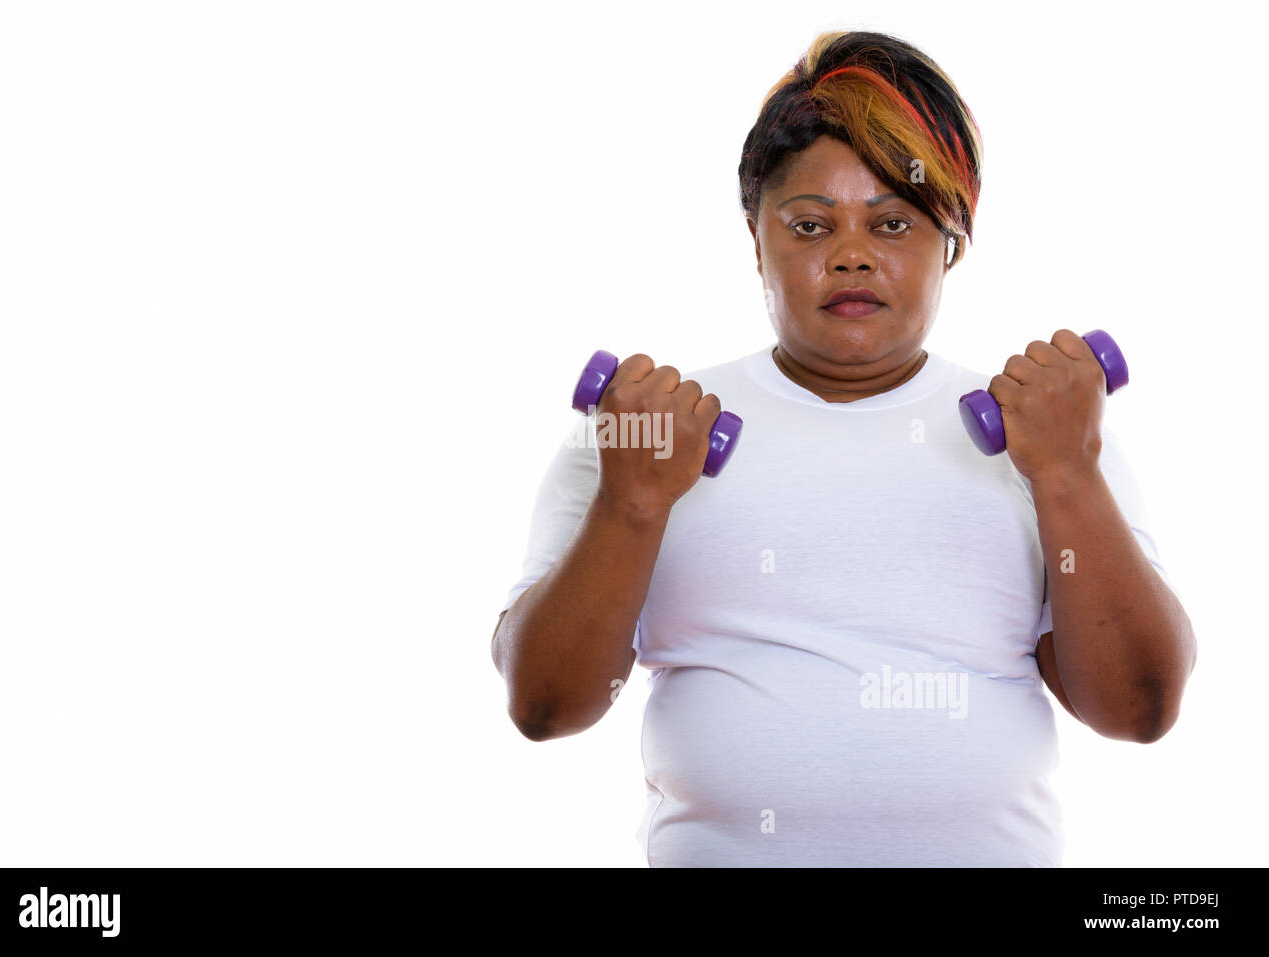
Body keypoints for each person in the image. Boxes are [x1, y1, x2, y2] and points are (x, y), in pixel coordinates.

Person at [490, 30, 1197, 867]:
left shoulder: (1050, 430)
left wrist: (1069, 475)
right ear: (757, 240)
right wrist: (632, 502)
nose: (853, 254)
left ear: (952, 242)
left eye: (893, 222)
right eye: (811, 224)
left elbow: (1138, 710)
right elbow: (544, 704)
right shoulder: (641, 430)